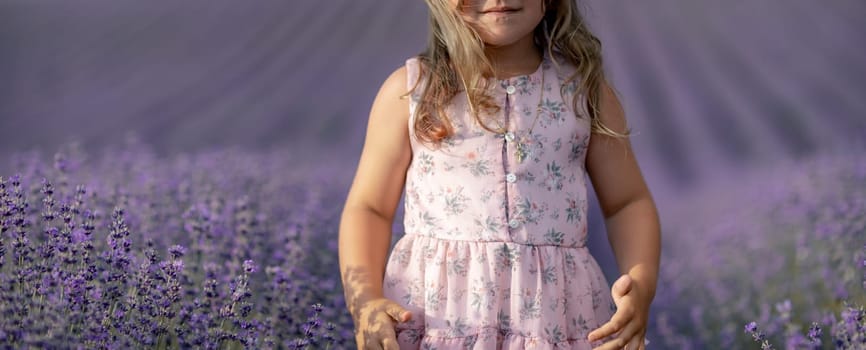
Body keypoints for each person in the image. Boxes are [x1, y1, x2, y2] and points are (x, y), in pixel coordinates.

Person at [338, 0, 661, 349]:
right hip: (436, 314)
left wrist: (641, 283)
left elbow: (627, 202)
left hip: (556, 315)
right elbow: (370, 207)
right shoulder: (412, 90)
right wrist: (365, 301)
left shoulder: (583, 91)